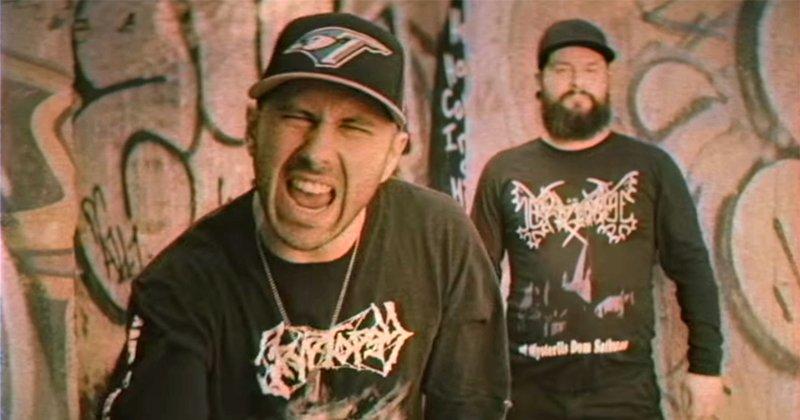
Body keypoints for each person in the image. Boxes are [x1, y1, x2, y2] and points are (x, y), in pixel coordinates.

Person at [101, 13, 509, 419]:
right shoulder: (183, 284)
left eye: (353, 126)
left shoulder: (438, 238)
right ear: (253, 129)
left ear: (392, 155)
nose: (316, 153)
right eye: (298, 117)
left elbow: (472, 405)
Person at [470, 19, 723, 419]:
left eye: (591, 70)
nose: (577, 82)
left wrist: (706, 368)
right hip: (529, 394)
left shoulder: (649, 168)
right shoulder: (505, 172)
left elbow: (691, 267)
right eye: (562, 70)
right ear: (540, 81)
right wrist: (471, 381)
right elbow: (475, 282)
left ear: (607, 80)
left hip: (623, 395)